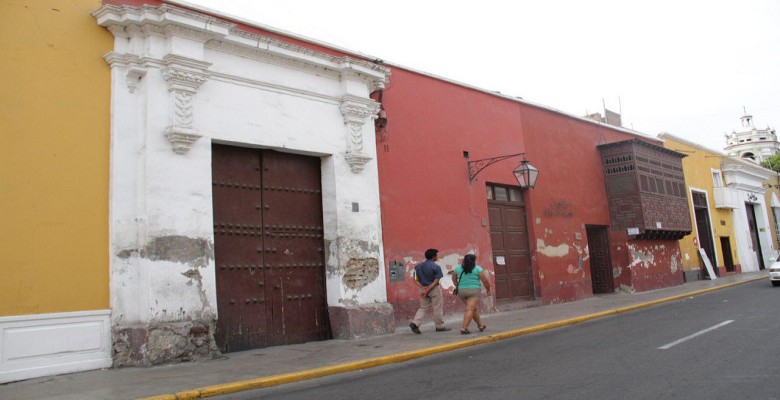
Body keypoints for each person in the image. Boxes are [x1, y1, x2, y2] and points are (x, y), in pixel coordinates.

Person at [410, 248, 451, 334]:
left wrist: (423, 288)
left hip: (423, 289)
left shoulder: (418, 266)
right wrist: (429, 288)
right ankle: (439, 326)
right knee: (437, 308)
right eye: (437, 255)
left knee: (423, 307)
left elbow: (415, 279)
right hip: (434, 289)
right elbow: (437, 280)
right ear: (433, 257)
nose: (438, 256)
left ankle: (415, 323)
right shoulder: (436, 267)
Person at [450, 254, 491, 334]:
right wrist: (488, 290)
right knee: (470, 309)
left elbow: (454, 278)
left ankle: (480, 325)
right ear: (473, 260)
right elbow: (485, 281)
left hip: (462, 292)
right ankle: (464, 328)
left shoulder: (457, 268)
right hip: (474, 291)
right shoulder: (477, 268)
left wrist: (457, 285)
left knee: (473, 308)